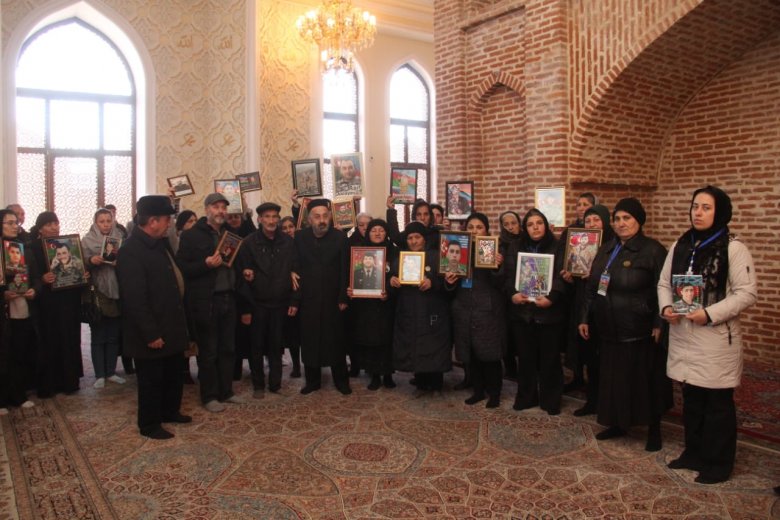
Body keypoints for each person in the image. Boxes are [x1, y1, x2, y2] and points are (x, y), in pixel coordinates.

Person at [659, 186, 757, 484]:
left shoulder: (733, 247)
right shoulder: (681, 244)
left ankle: (718, 463)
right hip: (684, 334)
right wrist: (666, 307)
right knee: (692, 400)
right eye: (695, 206)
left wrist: (710, 313)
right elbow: (664, 283)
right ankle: (694, 452)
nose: (698, 213)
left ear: (720, 212)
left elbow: (746, 293)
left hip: (714, 338)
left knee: (716, 404)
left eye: (706, 207)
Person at [579, 198, 671, 452]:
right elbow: (592, 287)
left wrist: (659, 323)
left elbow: (663, 289)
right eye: (617, 219)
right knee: (615, 381)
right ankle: (618, 423)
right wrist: (585, 317)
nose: (621, 223)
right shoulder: (606, 249)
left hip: (640, 330)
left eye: (627, 218)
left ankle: (654, 430)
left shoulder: (653, 250)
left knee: (645, 382)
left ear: (639, 220)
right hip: (609, 329)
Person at [117, 195, 191, 439]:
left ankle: (170, 411)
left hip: (170, 322)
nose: (170, 223)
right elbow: (134, 299)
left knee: (172, 373)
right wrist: (150, 333)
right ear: (152, 221)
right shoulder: (130, 251)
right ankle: (149, 424)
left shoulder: (159, 243)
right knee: (151, 379)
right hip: (151, 330)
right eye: (167, 219)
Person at [177, 193, 244, 412]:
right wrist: (205, 264)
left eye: (224, 207)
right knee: (209, 351)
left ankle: (226, 391)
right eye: (216, 207)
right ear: (207, 209)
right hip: (206, 301)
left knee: (228, 349)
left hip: (229, 298)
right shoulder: (191, 236)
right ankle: (209, 396)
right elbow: (182, 268)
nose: (221, 211)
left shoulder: (231, 234)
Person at [505, 209, 567, 415]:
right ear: (525, 228)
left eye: (539, 223)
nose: (535, 227)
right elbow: (508, 276)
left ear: (546, 225)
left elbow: (561, 276)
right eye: (530, 224)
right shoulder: (515, 247)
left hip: (549, 313)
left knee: (550, 359)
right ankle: (526, 397)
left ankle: (551, 400)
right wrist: (513, 294)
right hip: (522, 314)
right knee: (525, 359)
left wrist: (552, 297)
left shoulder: (557, 246)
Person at [236, 202, 298, 397]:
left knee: (276, 346)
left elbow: (296, 272)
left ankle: (275, 384)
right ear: (259, 219)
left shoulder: (288, 242)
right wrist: (245, 309)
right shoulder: (248, 243)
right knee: (256, 346)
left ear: (278, 219)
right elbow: (242, 277)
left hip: (280, 303)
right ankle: (258, 386)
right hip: (257, 304)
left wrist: (294, 300)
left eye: (274, 217)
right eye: (267, 217)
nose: (271, 221)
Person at [446, 213, 506, 408]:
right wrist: (449, 281)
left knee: (490, 355)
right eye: (471, 227)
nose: (474, 231)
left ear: (486, 230)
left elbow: (500, 283)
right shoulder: (458, 251)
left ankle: (494, 393)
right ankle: (478, 391)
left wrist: (497, 266)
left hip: (487, 310)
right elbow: (450, 286)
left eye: (479, 227)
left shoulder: (495, 249)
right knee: (471, 354)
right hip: (464, 309)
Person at [294, 199, 352, 395]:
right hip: (308, 299)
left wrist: (343, 297)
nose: (322, 220)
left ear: (330, 218)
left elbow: (345, 269)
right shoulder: (299, 237)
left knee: (336, 340)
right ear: (309, 220)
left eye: (325, 216)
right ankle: (312, 381)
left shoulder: (340, 237)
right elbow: (295, 264)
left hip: (333, 299)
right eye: (317, 217)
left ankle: (341, 381)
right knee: (309, 340)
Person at [390, 221, 452, 393]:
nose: (413, 241)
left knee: (433, 345)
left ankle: (436, 381)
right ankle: (420, 379)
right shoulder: (401, 258)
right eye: (410, 238)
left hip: (432, 308)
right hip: (409, 309)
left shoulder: (438, 256)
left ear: (424, 239)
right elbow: (392, 278)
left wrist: (433, 282)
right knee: (414, 343)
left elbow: (448, 281)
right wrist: (391, 281)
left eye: (417, 237)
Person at [29, 212, 84, 398]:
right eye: (49, 224)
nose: (54, 227)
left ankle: (69, 382)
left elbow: (75, 268)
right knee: (49, 341)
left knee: (69, 339)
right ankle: (49, 384)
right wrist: (42, 279)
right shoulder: (32, 248)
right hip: (47, 304)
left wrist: (82, 275)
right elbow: (29, 276)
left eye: (56, 223)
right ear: (40, 228)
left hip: (68, 301)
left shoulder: (67, 244)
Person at [566, 204, 613, 417]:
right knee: (590, 359)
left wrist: (596, 278)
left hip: (605, 310)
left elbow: (614, 280)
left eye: (596, 220)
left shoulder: (614, 246)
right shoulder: (578, 244)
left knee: (606, 361)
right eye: (588, 221)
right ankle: (592, 400)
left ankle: (606, 402)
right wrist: (569, 276)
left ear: (605, 222)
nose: (592, 224)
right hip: (583, 309)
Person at [347, 219, 398, 390]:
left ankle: (388, 375)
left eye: (381, 230)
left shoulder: (394, 252)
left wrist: (389, 292)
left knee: (387, 341)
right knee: (372, 341)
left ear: (386, 233)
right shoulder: (360, 252)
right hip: (366, 306)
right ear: (368, 233)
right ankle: (375, 375)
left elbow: (399, 276)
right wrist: (351, 290)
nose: (377, 233)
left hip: (388, 305)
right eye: (373, 230)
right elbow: (354, 276)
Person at [82, 208, 126, 389]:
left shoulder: (120, 238)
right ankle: (99, 374)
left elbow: (129, 261)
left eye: (109, 220)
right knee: (99, 336)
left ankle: (111, 372)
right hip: (97, 292)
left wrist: (120, 262)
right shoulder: (87, 241)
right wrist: (91, 261)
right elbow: (79, 264)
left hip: (117, 291)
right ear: (95, 223)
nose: (106, 224)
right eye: (102, 221)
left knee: (113, 336)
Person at [0, 209, 37, 411]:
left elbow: (36, 277)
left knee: (19, 352)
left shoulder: (22, 249)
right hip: (3, 310)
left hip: (21, 308)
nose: (15, 226)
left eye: (16, 222)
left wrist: (33, 290)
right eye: (10, 223)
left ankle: (18, 394)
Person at [498, 210, 523, 379]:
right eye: (506, 224)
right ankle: (510, 369)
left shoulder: (526, 242)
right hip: (504, 295)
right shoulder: (499, 244)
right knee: (506, 333)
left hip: (523, 293)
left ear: (519, 224)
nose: (510, 227)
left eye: (513, 223)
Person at [280, 216, 302, 378]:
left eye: (291, 226)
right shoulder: (281, 246)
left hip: (307, 292)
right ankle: (296, 366)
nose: (288, 230)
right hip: (289, 294)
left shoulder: (304, 242)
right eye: (284, 228)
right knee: (293, 334)